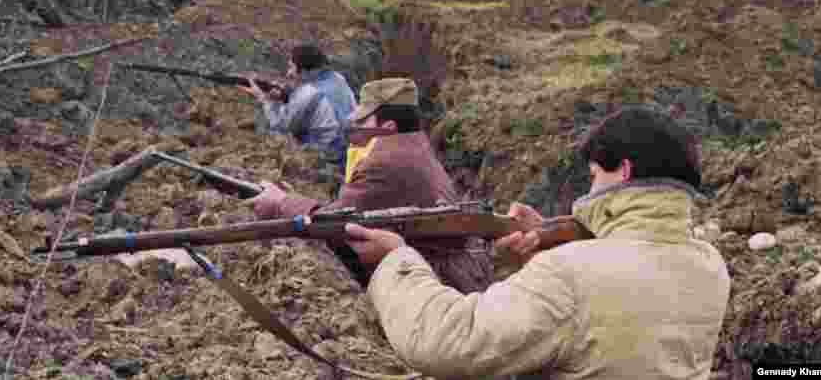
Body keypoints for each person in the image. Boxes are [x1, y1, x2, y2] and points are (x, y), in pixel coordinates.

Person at [344, 106, 732, 380]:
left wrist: (396, 260)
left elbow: (448, 342)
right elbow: (610, 320)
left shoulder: (572, 274)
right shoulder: (709, 265)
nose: (590, 188)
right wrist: (551, 243)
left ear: (624, 171)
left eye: (595, 176)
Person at [247, 77, 493, 294]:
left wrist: (281, 202)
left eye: (361, 122)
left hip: (437, 287)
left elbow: (337, 224)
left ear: (387, 128)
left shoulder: (386, 162)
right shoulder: (413, 145)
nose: (354, 130)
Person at [240, 43, 356, 160]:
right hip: (350, 144)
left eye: (291, 67)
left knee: (270, 130)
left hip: (329, 152)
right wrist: (286, 94)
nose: (288, 73)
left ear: (305, 70)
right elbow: (317, 98)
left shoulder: (307, 92)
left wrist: (264, 99)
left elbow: (280, 125)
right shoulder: (337, 78)